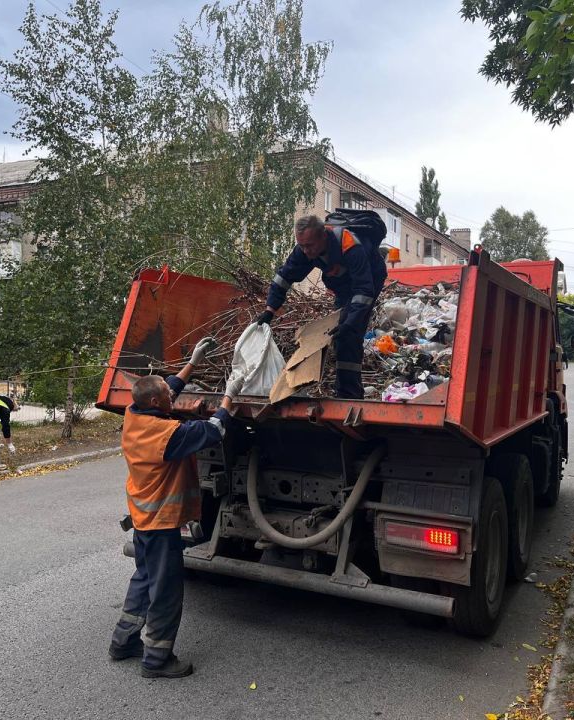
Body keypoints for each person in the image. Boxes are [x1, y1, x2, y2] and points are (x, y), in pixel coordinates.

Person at [109, 336, 242, 679]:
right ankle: (157, 659)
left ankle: (123, 642)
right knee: (166, 590)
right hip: (161, 523)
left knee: (144, 577)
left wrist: (193, 363)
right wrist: (231, 393)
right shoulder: (167, 433)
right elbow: (214, 430)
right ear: (157, 402)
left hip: (143, 521)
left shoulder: (134, 414)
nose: (174, 397)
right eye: (169, 397)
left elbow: (166, 387)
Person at [258, 214, 387, 399]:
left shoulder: (350, 245)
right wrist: (269, 310)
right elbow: (284, 277)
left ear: (323, 236)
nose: (305, 251)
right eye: (301, 245)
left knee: (349, 335)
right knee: (339, 332)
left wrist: (350, 323)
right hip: (343, 285)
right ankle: (342, 387)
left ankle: (349, 395)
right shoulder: (304, 249)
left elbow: (363, 292)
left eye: (309, 245)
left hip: (368, 281)